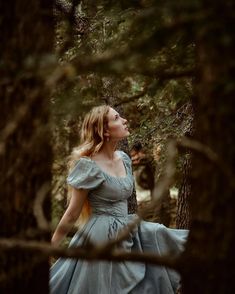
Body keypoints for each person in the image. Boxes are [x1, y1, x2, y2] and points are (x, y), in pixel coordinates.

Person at [50, 105, 188, 294]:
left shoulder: (124, 158)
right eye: (116, 117)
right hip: (100, 237)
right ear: (104, 130)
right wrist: (50, 247)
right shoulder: (87, 166)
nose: (124, 120)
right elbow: (72, 213)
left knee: (166, 237)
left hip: (128, 227)